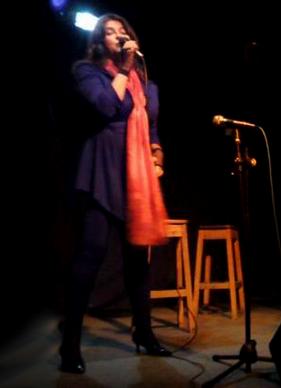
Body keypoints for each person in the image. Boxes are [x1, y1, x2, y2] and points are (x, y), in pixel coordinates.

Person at [59, 13, 170, 374]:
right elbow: (106, 106)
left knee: (139, 264)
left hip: (136, 178)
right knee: (89, 258)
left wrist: (156, 156)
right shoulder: (87, 71)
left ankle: (146, 334)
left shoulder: (147, 84)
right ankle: (70, 344)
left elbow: (152, 128)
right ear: (98, 42)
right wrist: (122, 69)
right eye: (109, 32)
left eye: (122, 30)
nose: (118, 35)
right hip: (102, 173)